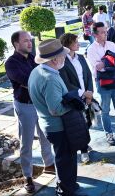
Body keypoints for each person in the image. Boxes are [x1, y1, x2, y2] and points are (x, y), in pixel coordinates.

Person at [28, 39, 80, 195]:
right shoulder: (49, 78)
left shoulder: (36, 71)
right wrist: (74, 103)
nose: (65, 57)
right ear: (54, 59)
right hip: (58, 127)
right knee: (65, 160)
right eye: (62, 55)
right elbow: (55, 109)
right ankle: (66, 190)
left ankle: (67, 185)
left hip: (49, 125)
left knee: (63, 158)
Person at [5, 31, 55, 193]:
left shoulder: (34, 58)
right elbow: (27, 81)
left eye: (30, 40)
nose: (29, 43)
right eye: (25, 41)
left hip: (40, 103)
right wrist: (37, 81)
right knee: (26, 142)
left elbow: (44, 75)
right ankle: (27, 176)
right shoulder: (11, 63)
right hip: (25, 105)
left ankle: (49, 164)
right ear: (16, 44)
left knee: (46, 136)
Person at [87, 22, 115, 146]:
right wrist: (112, 60)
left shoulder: (111, 44)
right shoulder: (91, 49)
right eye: (102, 32)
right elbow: (99, 68)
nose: (105, 33)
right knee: (105, 111)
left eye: (105, 31)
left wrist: (106, 61)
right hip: (103, 84)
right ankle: (109, 134)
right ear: (95, 34)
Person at [58, 33, 94, 164]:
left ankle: (84, 143)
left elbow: (88, 75)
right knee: (80, 125)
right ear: (68, 44)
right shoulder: (62, 61)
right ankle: (83, 150)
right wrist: (83, 93)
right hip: (75, 98)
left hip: (87, 96)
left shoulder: (80, 58)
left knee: (88, 122)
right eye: (75, 42)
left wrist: (90, 92)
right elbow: (65, 82)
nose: (78, 44)